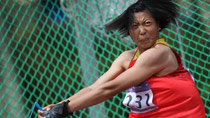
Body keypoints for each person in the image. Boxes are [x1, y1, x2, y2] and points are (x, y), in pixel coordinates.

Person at [38, 0, 206, 117]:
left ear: (158, 25)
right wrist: (58, 105)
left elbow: (112, 88)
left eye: (147, 23)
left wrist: (65, 109)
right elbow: (95, 87)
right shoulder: (126, 58)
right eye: (135, 26)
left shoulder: (159, 53)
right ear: (128, 31)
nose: (142, 31)